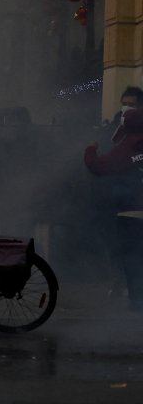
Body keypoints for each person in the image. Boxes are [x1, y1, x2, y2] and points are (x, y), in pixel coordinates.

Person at [85, 105, 143, 312]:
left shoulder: (123, 149)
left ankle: (138, 302)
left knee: (133, 260)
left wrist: (91, 149)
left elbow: (97, 167)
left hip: (130, 214)